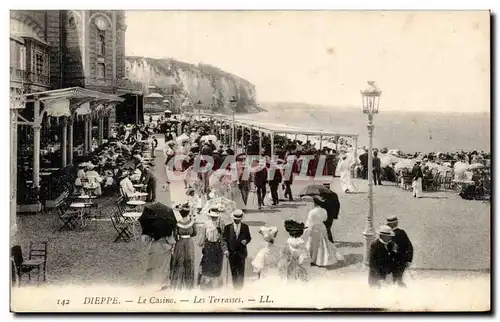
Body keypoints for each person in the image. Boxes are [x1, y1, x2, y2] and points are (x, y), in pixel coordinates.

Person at [303, 197, 344, 267]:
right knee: (322, 243)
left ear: (314, 203)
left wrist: (306, 229)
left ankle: (313, 259)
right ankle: (320, 259)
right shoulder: (324, 210)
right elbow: (325, 218)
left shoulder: (312, 211)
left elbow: (309, 220)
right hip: (321, 227)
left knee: (313, 244)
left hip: (314, 228)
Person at [197, 205, 227, 290]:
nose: (214, 218)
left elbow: (224, 236)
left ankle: (216, 284)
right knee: (207, 264)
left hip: (217, 246)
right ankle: (206, 283)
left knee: (217, 264)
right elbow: (203, 235)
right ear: (210, 216)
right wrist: (200, 244)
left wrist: (220, 231)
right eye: (213, 217)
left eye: (216, 217)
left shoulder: (222, 223)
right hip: (209, 246)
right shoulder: (206, 224)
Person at [222, 209, 251, 289]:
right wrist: (225, 250)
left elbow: (249, 237)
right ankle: (235, 288)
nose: (237, 221)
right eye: (236, 219)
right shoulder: (228, 228)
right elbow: (223, 240)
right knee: (233, 272)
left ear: (241, 219)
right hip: (231, 253)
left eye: (239, 220)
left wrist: (246, 241)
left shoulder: (245, 227)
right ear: (233, 218)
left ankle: (240, 288)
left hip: (241, 253)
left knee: (241, 272)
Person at [170, 206, 197, 290]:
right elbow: (194, 233)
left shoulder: (177, 223)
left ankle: (178, 283)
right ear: (188, 214)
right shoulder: (192, 223)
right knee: (189, 260)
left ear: (180, 214)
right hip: (189, 242)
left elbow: (175, 235)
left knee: (179, 261)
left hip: (180, 242)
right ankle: (188, 284)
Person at [386, 216, 413, 287]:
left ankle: (402, 292)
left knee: (395, 280)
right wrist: (408, 260)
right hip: (401, 261)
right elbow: (410, 247)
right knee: (397, 279)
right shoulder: (402, 233)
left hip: (394, 261)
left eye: (389, 224)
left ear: (393, 224)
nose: (387, 225)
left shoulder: (389, 234)